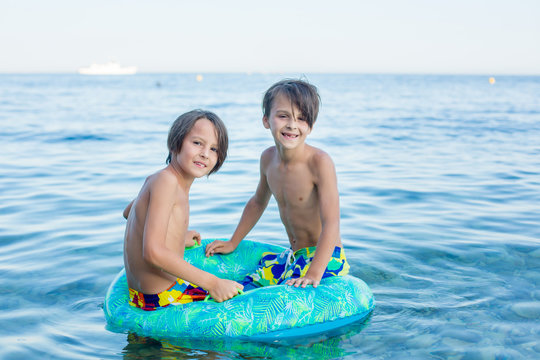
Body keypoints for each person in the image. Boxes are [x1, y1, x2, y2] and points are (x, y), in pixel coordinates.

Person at [205, 79, 349, 289]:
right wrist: (232, 242)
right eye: (283, 116)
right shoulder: (267, 159)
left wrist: (314, 273)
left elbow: (332, 223)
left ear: (311, 126)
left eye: (301, 119)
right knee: (246, 286)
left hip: (326, 259)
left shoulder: (319, 162)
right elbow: (257, 203)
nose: (292, 125)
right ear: (266, 120)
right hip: (296, 255)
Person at [123, 109, 243, 311]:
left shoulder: (161, 179)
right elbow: (152, 252)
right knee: (242, 293)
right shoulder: (167, 181)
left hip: (143, 295)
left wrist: (177, 237)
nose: (205, 153)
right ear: (175, 143)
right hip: (163, 298)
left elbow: (130, 212)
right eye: (197, 143)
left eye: (214, 149)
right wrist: (213, 283)